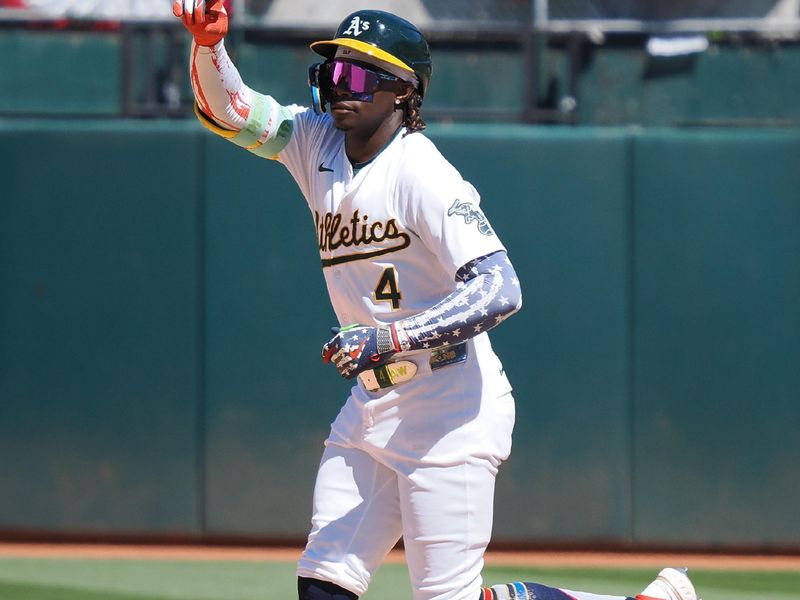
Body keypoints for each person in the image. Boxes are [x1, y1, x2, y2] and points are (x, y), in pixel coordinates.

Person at [172, 3, 700, 600]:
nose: (337, 85)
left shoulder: (421, 171)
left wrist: (389, 337)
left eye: (356, 74)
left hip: (453, 409)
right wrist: (208, 44)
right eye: (330, 73)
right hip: (373, 407)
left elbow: (500, 287)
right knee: (323, 582)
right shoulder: (316, 143)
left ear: (401, 91)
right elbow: (229, 110)